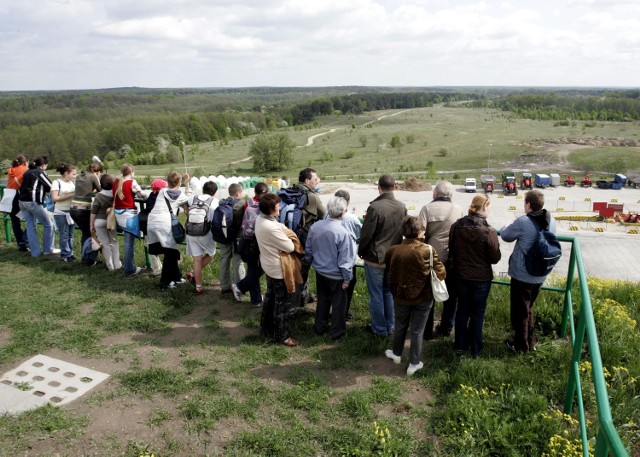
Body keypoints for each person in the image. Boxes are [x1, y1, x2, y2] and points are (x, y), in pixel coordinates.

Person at [385, 216, 446, 376]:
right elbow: (441, 272)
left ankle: (396, 354)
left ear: (403, 232)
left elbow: (389, 270)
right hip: (423, 297)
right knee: (417, 330)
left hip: (400, 296)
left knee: (400, 326)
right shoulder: (428, 250)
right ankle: (414, 363)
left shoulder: (393, 250)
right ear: (420, 231)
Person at [500, 189, 557, 353]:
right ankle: (530, 341)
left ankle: (521, 347)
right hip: (540, 272)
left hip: (523, 274)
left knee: (520, 313)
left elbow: (506, 236)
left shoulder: (523, 221)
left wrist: (506, 227)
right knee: (527, 308)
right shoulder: (550, 219)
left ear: (529, 204)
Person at [449, 194, 501, 357]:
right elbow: (495, 258)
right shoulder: (489, 231)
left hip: (461, 276)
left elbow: (452, 249)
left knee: (462, 310)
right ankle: (476, 349)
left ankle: (459, 346)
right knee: (478, 313)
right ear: (484, 207)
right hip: (481, 279)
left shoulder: (457, 226)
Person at [358, 175, 407, 336]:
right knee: (388, 293)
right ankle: (390, 326)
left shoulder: (375, 207)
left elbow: (366, 234)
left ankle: (379, 329)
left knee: (376, 295)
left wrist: (361, 251)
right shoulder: (402, 206)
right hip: (394, 257)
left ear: (379, 187)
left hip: (375, 258)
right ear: (395, 187)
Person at [417, 180, 465, 339]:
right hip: (452, 261)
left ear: (435, 194)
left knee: (428, 296)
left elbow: (419, 236)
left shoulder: (427, 209)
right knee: (450, 297)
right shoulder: (458, 210)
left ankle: (426, 332)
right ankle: (445, 328)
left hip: (430, 260)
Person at [305, 196, 355, 341]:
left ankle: (320, 327)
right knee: (339, 304)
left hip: (320, 271)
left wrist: (308, 264)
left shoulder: (315, 226)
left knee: (323, 300)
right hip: (336, 275)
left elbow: (309, 249)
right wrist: (347, 279)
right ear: (343, 213)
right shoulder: (343, 232)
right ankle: (337, 332)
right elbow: (345, 261)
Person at [255, 193, 300, 346]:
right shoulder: (270, 227)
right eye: (277, 205)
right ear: (271, 209)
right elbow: (290, 246)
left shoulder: (261, 219)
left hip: (268, 264)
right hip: (278, 268)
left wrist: (282, 230)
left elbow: (279, 226)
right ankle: (282, 336)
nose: (279, 206)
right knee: (282, 303)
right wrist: (288, 235)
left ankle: (265, 327)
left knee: (270, 297)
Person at [290, 168, 327, 308]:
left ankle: (301, 297)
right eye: (315, 179)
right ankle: (294, 306)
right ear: (307, 180)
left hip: (289, 237)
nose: (317, 181)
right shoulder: (312, 197)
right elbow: (326, 216)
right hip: (304, 239)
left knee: (295, 269)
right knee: (302, 271)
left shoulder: (291, 190)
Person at [146, 172, 191, 289]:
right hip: (164, 223)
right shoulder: (180, 195)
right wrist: (187, 183)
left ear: (168, 182)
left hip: (152, 221)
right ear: (179, 183)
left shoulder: (162, 191)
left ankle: (176, 276)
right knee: (170, 252)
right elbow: (189, 199)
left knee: (170, 251)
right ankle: (165, 282)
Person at [232, 182, 269, 306]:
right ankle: (240, 287)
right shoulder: (266, 204)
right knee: (261, 268)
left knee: (253, 268)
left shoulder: (249, 203)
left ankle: (256, 299)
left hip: (247, 239)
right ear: (267, 192)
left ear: (255, 192)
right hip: (259, 240)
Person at [18, 156, 57, 257]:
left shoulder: (27, 172)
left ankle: (35, 252)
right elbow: (50, 185)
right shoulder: (39, 172)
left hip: (22, 202)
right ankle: (48, 250)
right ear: (44, 165)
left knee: (31, 227)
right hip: (33, 202)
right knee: (48, 224)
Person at [112, 164, 146, 276]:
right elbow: (142, 196)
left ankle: (128, 266)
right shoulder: (131, 183)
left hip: (118, 214)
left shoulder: (116, 181)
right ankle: (129, 268)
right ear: (132, 172)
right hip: (129, 215)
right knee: (129, 244)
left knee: (127, 243)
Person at [185, 181, 219, 294]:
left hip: (190, 231)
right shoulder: (215, 201)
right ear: (214, 192)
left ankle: (198, 287)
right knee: (211, 254)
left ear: (203, 189)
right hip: (205, 233)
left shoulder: (192, 198)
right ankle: (193, 274)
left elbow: (185, 202)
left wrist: (187, 212)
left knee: (197, 260)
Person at [333, 189, 362, 320]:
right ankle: (343, 313)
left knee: (333, 286)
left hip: (331, 257)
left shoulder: (327, 216)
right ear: (348, 203)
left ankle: (334, 310)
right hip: (348, 259)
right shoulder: (351, 218)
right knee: (348, 285)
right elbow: (360, 235)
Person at [218, 183, 246, 294]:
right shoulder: (242, 204)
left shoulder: (222, 203)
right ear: (238, 193)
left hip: (224, 236)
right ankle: (240, 287)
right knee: (238, 261)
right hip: (238, 237)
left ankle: (225, 286)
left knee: (224, 259)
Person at [90, 174, 122, 270]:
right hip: (111, 221)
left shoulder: (99, 195)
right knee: (114, 242)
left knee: (105, 244)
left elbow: (94, 211)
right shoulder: (115, 194)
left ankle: (110, 265)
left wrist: (91, 225)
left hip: (99, 221)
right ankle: (117, 264)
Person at [70, 162, 103, 253]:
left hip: (73, 208)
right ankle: (87, 258)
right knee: (88, 233)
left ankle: (85, 256)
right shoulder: (93, 176)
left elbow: (84, 188)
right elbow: (100, 190)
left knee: (85, 232)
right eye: (99, 173)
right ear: (96, 171)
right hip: (83, 209)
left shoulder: (79, 176)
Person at [50, 163, 78, 262]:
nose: (75, 176)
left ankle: (70, 253)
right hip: (61, 212)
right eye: (73, 174)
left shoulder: (72, 183)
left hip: (71, 211)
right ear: (66, 173)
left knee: (71, 234)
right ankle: (65, 254)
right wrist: (71, 195)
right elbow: (55, 198)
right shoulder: (56, 182)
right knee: (64, 234)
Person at [6, 155, 29, 251]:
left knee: (15, 222)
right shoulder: (25, 169)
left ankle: (21, 243)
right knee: (32, 220)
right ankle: (24, 241)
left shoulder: (11, 170)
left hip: (10, 197)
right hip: (21, 197)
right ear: (25, 162)